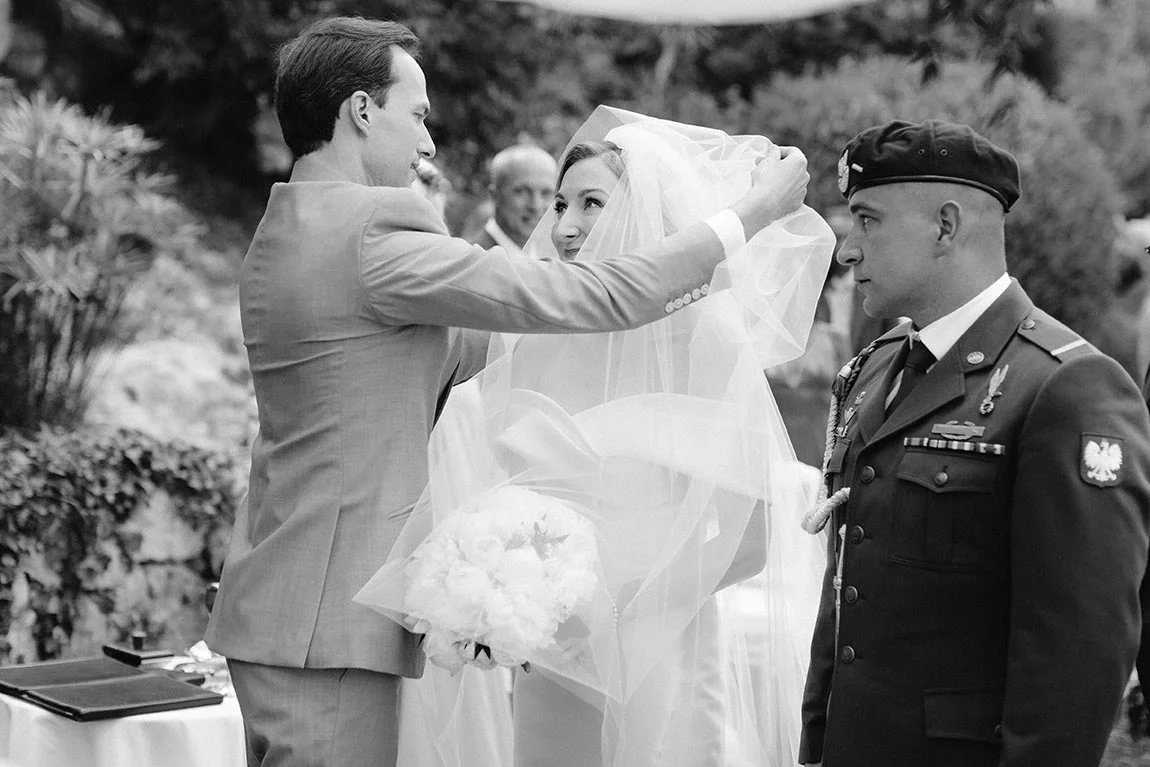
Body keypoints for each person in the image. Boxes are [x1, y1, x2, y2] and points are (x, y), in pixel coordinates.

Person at [203, 17, 811, 767]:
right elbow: (571, 297)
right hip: (324, 623)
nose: (428, 143)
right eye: (417, 115)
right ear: (361, 111)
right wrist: (750, 214)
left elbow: (477, 345)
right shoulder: (369, 229)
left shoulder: (290, 227)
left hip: (287, 602)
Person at [356, 107, 834, 766]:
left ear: (645, 214)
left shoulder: (706, 344)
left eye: (591, 203)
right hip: (548, 654)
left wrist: (615, 606)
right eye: (560, 204)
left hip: (657, 651)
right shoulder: (533, 337)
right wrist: (502, 588)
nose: (565, 225)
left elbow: (749, 543)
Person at [798, 119, 1150, 766]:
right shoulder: (874, 368)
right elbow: (846, 587)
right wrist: (816, 747)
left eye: (867, 221)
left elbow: (1076, 654)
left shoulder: (1064, 386)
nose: (847, 250)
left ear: (946, 226)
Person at [468, 143, 557, 258]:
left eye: (546, 193)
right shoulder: (471, 260)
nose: (536, 206)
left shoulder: (554, 258)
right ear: (495, 196)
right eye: (522, 192)